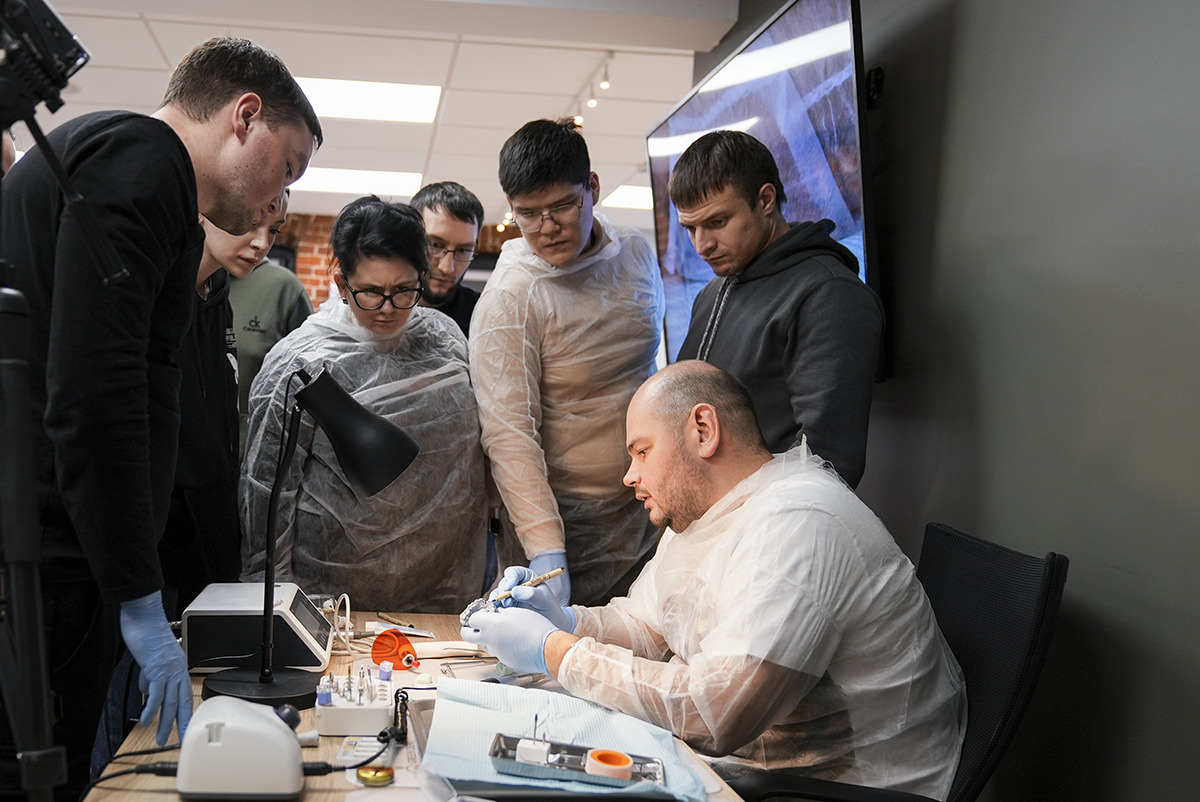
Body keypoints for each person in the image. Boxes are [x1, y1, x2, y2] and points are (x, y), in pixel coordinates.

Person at [0, 36, 320, 799]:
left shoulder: (162, 193)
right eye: (287, 167)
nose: (278, 199)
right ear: (245, 116)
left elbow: (149, 388)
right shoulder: (142, 160)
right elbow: (95, 395)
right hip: (49, 558)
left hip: (75, 551)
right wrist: (139, 593)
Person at [464, 361, 967, 799]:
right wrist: (567, 621)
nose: (629, 476)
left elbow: (716, 713)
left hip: (835, 790)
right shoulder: (708, 515)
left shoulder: (801, 523)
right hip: (743, 772)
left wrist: (556, 650)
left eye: (642, 452)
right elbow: (648, 626)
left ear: (703, 430)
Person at [240, 196, 487, 612]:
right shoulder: (300, 364)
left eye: (404, 290)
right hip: (332, 598)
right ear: (342, 284)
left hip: (444, 584)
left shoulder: (444, 340)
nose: (388, 309)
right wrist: (278, 604)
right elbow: (267, 494)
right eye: (371, 292)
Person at [469, 118, 664, 607]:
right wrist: (545, 550)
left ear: (592, 188)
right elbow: (509, 432)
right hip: (561, 522)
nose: (546, 227)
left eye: (561, 206)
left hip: (649, 504)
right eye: (527, 214)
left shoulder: (635, 254)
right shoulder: (512, 297)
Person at [671, 130, 884, 489]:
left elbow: (828, 460)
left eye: (717, 222)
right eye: (690, 228)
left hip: (770, 520)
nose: (702, 245)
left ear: (765, 199)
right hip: (708, 516)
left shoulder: (829, 293)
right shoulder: (711, 293)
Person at [227, 191, 312, 453]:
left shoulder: (284, 289)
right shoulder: (181, 280)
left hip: (251, 455)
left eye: (274, 230)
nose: (263, 243)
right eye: (251, 223)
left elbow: (306, 389)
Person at [410, 180, 484, 334]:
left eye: (463, 250)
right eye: (435, 245)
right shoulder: (376, 306)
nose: (447, 268)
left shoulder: (484, 316)